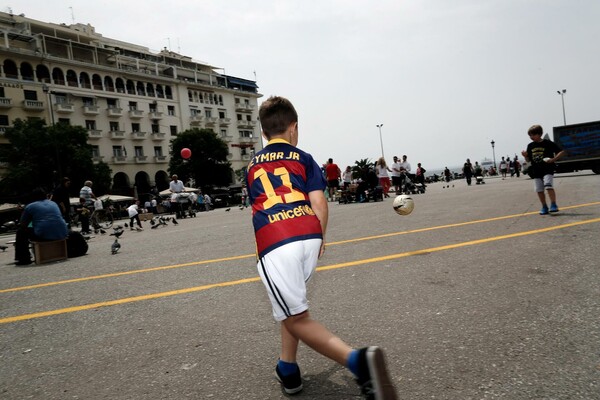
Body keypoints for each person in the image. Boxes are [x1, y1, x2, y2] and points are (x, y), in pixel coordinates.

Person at [245, 96, 397, 399]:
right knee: (293, 306)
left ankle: (358, 361)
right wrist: (321, 237)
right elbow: (319, 202)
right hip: (309, 236)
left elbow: (258, 206)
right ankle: (288, 369)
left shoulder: (251, 166)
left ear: (263, 133)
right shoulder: (304, 157)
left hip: (276, 241)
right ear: (293, 128)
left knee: (295, 317)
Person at [14, 188, 68, 265]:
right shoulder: (53, 203)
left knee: (20, 232)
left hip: (43, 235)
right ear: (45, 195)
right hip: (62, 233)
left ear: (33, 197)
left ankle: (24, 259)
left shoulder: (30, 206)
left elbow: (23, 225)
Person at [521, 124, 565, 215]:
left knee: (548, 185)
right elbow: (528, 160)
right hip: (536, 170)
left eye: (533, 135)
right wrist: (525, 156)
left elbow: (561, 151)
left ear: (539, 134)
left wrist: (553, 159)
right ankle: (544, 206)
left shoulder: (548, 143)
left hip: (547, 168)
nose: (531, 137)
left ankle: (553, 204)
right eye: (530, 135)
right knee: (539, 189)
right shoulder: (530, 146)